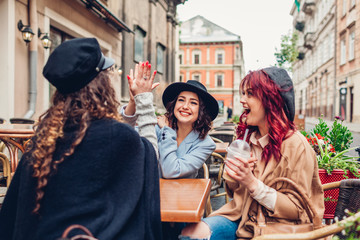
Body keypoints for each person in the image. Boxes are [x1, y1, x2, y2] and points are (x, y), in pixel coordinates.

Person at [0, 38, 162, 240]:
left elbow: (11, 219)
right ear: (101, 83)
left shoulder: (43, 140)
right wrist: (144, 101)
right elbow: (151, 163)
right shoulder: (119, 137)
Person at [179, 67, 325, 240]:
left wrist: (252, 182)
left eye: (250, 94)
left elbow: (296, 210)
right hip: (241, 217)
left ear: (271, 101)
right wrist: (235, 176)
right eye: (243, 93)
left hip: (278, 226)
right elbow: (234, 194)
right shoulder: (248, 139)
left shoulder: (295, 145)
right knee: (189, 234)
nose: (242, 100)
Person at [122, 80, 219, 179]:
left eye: (193, 103)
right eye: (181, 100)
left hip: (181, 193)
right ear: (174, 104)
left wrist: (167, 130)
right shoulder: (158, 128)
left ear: (201, 111)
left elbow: (170, 171)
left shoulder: (206, 144)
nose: (185, 106)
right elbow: (125, 137)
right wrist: (133, 102)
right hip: (150, 191)